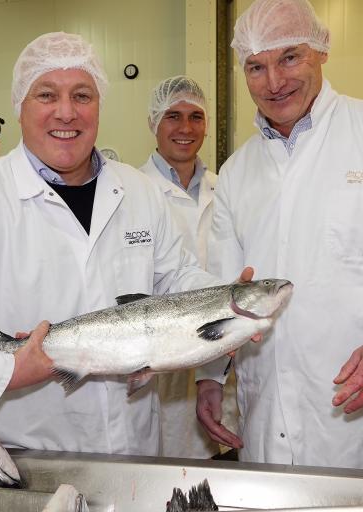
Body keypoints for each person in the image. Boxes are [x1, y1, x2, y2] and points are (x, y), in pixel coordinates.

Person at [0, 32, 232, 455]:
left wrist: (228, 301)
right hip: (32, 453)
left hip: (134, 447)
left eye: (82, 95)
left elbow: (174, 277)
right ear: (20, 106)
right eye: (47, 94)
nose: (66, 112)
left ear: (99, 105)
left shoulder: (139, 191)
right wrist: (2, 370)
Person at [196, 0, 363, 472]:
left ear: (322, 50)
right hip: (266, 414)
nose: (274, 82)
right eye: (256, 66)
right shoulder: (236, 173)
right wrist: (210, 376)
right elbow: (222, 291)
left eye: (289, 57)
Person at [139, 76, 238, 459]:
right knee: (165, 477)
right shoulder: (133, 192)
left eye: (196, 116)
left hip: (222, 360)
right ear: (153, 123)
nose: (185, 128)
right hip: (159, 369)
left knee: (225, 474)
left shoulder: (225, 189)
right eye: (172, 116)